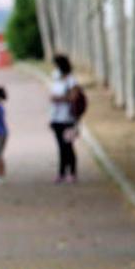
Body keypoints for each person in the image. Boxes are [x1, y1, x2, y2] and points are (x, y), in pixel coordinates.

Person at [49, 55, 79, 183]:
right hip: (56, 118)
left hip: (68, 119)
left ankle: (72, 172)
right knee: (60, 147)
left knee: (68, 145)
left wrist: (60, 99)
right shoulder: (56, 79)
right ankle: (61, 172)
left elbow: (74, 97)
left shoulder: (71, 81)